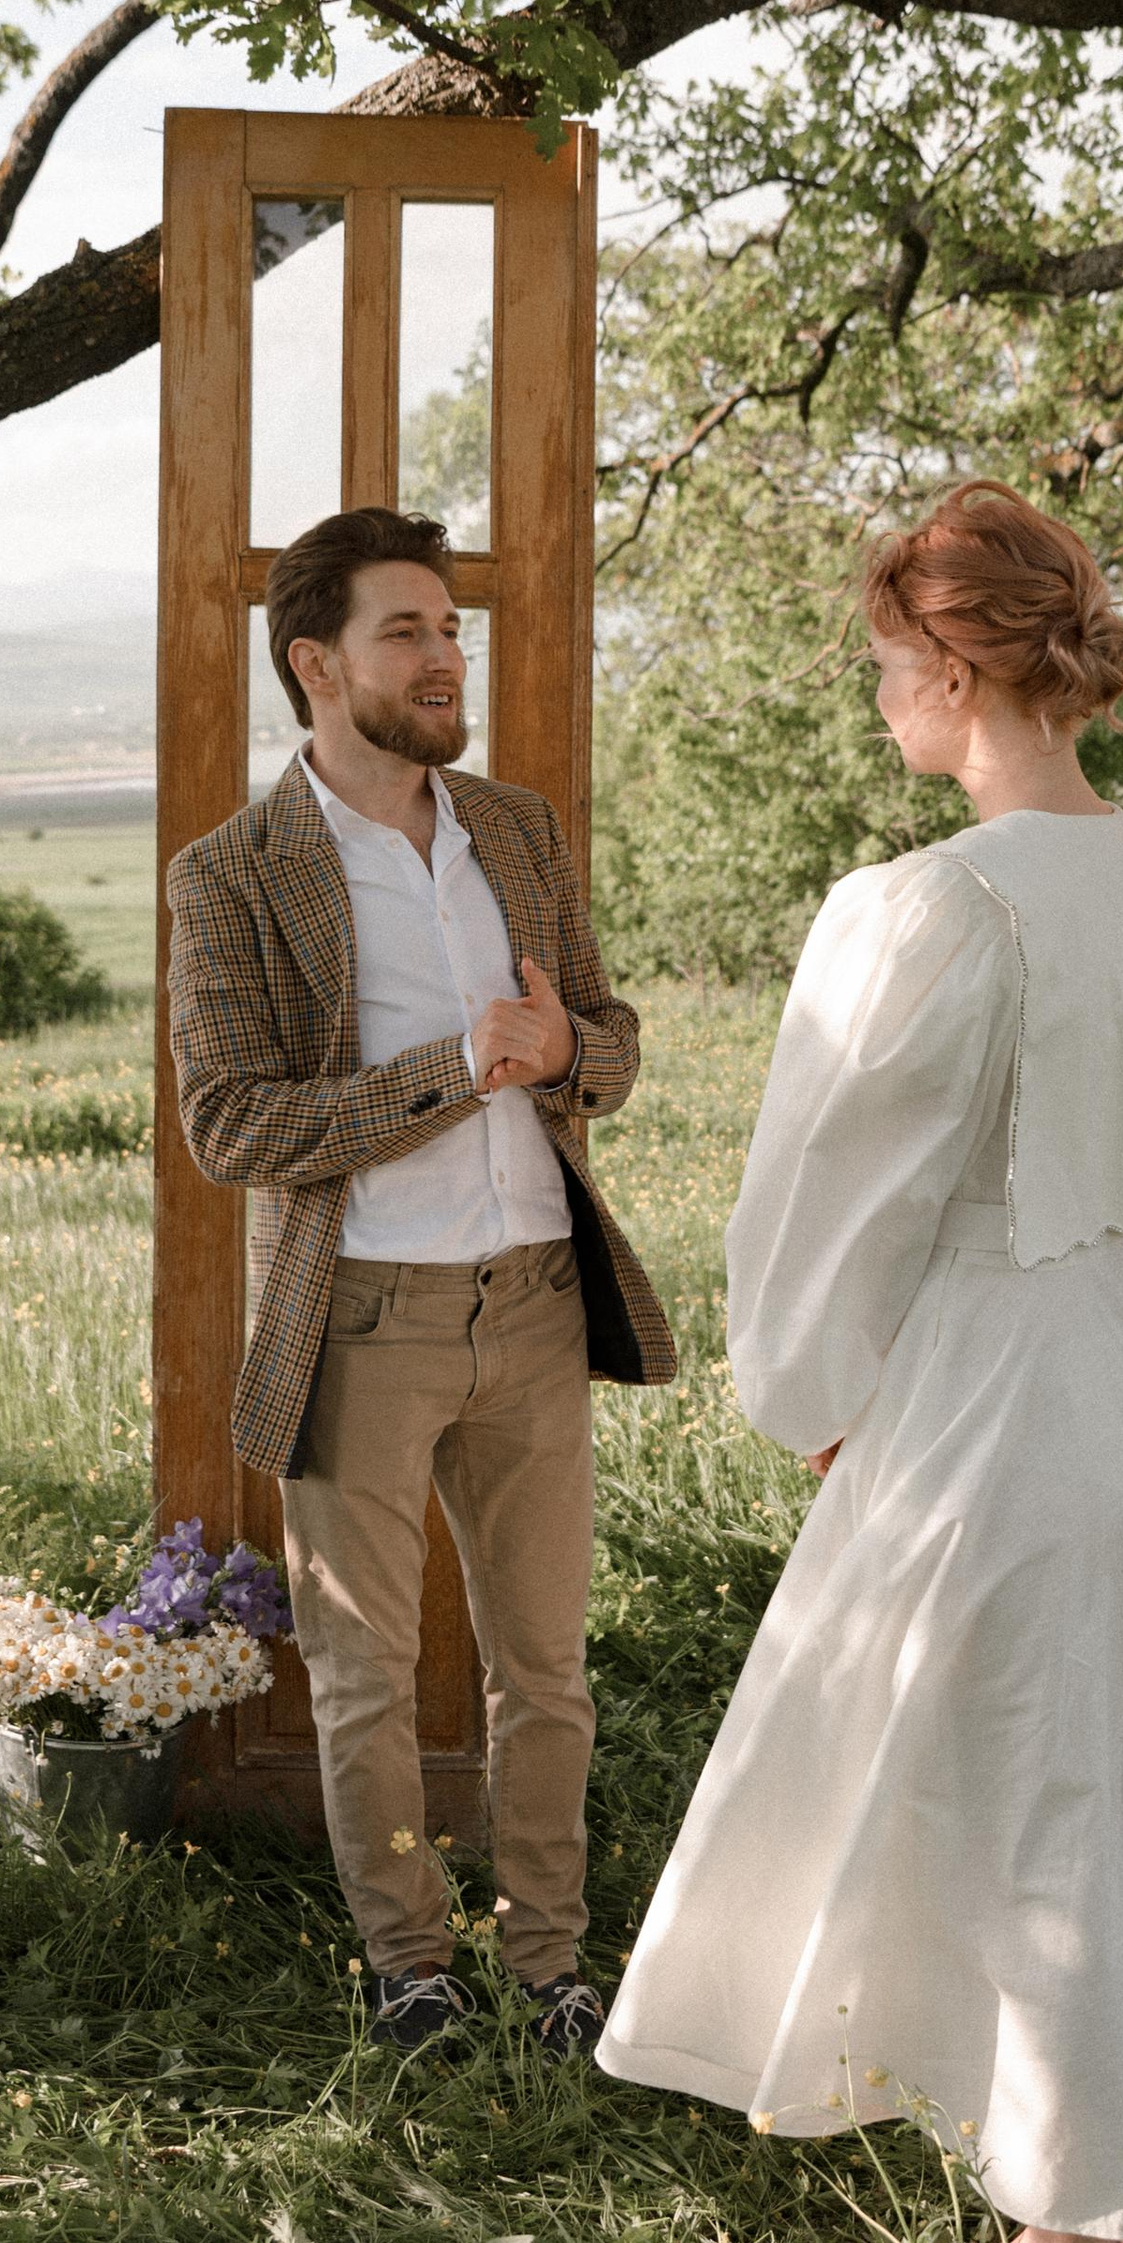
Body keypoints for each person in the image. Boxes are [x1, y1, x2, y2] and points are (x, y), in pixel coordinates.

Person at [597, 481, 1123, 2243]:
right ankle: (1052, 2200)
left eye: (885, 663)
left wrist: (810, 1392)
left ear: (953, 666)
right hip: (1120, 1351)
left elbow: (830, 1181)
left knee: (1017, 1787)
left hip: (983, 1377)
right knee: (1074, 1771)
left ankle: (1073, 2241)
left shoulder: (926, 904)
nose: (880, 699)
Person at [166, 505, 673, 2063]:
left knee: (548, 1673)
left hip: (531, 1305)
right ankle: (410, 1970)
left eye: (452, 630)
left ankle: (548, 1967)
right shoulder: (233, 876)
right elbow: (234, 1126)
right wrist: (460, 1070)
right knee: (363, 1680)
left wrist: (570, 1052)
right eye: (409, 632)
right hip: (362, 1320)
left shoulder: (515, 829)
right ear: (317, 665)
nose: (448, 657)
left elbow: (609, 1035)